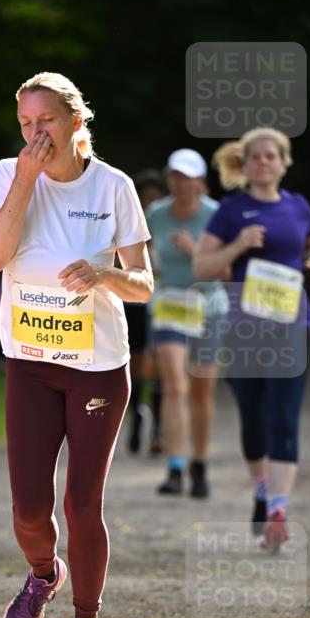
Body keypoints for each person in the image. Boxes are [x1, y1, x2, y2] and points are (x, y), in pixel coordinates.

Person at [0, 71, 153, 618]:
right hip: (30, 363)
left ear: (77, 121)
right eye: (25, 124)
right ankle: (42, 574)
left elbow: (145, 284)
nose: (34, 134)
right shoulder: (11, 173)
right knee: (28, 508)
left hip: (97, 368)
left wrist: (104, 275)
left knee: (82, 502)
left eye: (45, 121)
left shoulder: (114, 187)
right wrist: (26, 179)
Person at [193, 127, 310, 551]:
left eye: (271, 155)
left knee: (283, 420)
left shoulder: (298, 206)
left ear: (284, 162)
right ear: (245, 163)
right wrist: (237, 246)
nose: (263, 162)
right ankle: (261, 487)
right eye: (255, 156)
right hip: (245, 330)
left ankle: (277, 511)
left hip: (292, 326)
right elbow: (202, 266)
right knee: (253, 421)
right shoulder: (232, 211)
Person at [148, 149, 228, 497]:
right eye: (175, 177)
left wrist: (197, 251)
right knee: (175, 386)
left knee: (201, 390)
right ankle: (174, 467)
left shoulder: (217, 215)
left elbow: (227, 271)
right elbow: (145, 254)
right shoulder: (156, 214)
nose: (181, 184)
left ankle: (200, 463)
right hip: (170, 304)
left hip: (207, 306)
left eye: (188, 177)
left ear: (200, 181)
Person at [125, 169, 167, 454]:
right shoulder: (128, 226)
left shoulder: (170, 224)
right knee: (138, 365)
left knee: (162, 367)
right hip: (136, 305)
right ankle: (137, 421)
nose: (150, 204)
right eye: (145, 198)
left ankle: (159, 429)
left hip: (165, 302)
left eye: (155, 198)